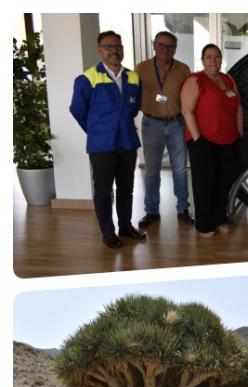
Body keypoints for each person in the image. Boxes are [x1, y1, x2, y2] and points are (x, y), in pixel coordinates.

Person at [69, 30, 146, 249]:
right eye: (109, 46)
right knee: (103, 190)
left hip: (127, 142)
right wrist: (95, 130)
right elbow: (77, 110)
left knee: (126, 188)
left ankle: (125, 226)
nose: (114, 51)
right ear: (100, 50)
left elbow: (134, 107)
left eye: (118, 46)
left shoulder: (133, 77)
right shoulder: (87, 79)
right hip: (101, 145)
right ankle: (108, 232)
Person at [181, 44, 243, 237]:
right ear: (202, 60)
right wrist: (198, 138)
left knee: (223, 183)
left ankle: (220, 219)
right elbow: (186, 110)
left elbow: (238, 107)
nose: (213, 60)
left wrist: (240, 134)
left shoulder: (228, 79)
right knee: (204, 184)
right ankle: (204, 225)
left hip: (229, 140)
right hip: (204, 141)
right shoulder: (195, 80)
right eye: (208, 57)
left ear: (221, 59)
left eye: (216, 56)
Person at [135, 31, 194, 228]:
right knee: (152, 171)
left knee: (180, 170)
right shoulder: (141, 69)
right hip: (151, 124)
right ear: (154, 45)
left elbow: (190, 97)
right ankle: (151, 211)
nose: (166, 50)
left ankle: (183, 209)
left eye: (171, 47)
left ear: (175, 49)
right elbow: (132, 95)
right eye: (162, 45)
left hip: (177, 123)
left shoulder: (183, 69)